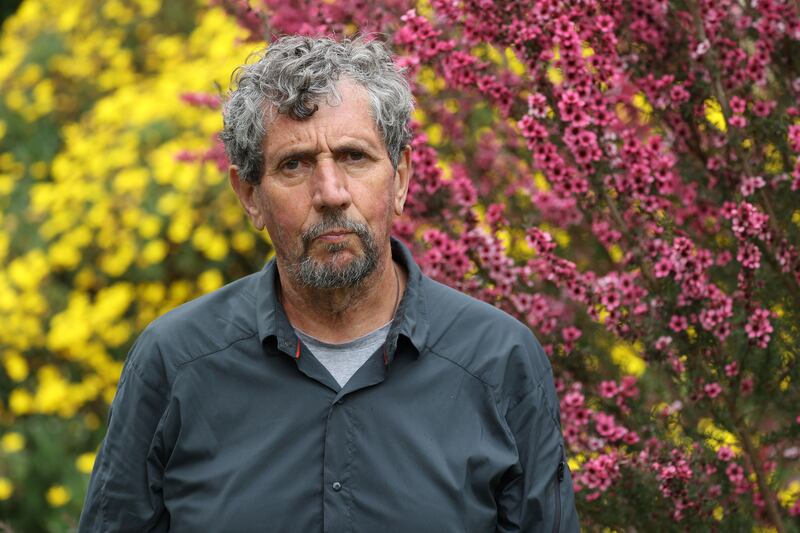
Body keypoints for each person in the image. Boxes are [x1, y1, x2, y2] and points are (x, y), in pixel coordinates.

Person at [78, 35, 579, 532]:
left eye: (354, 157)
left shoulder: (499, 361)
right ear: (249, 195)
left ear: (401, 178)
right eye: (294, 165)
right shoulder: (174, 362)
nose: (331, 193)